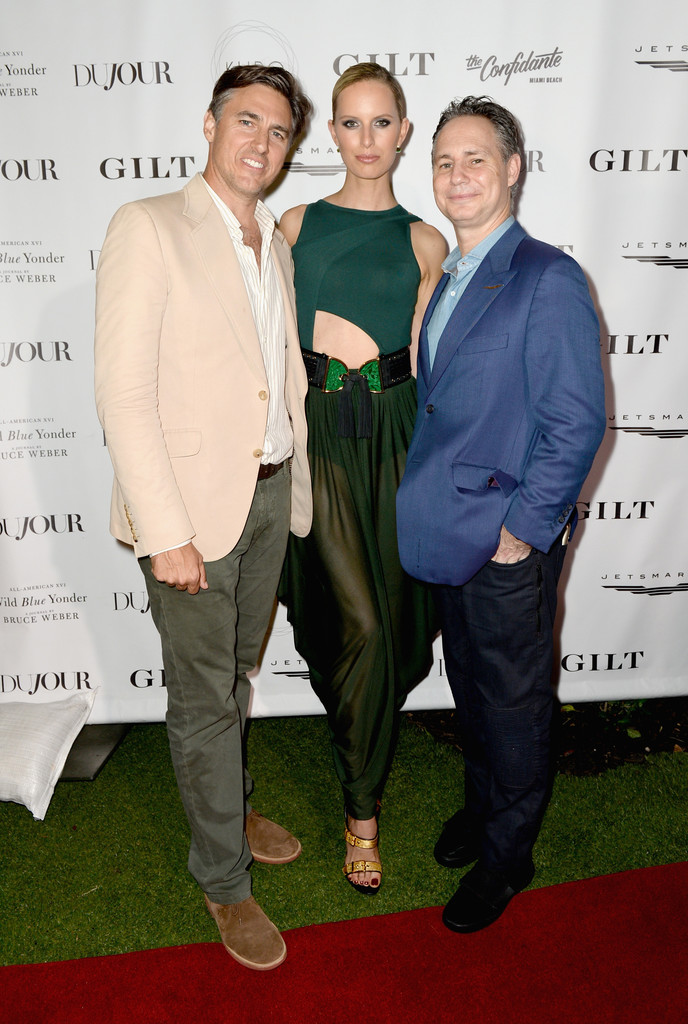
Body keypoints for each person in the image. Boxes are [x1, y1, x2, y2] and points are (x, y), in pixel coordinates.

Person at [94, 65, 313, 971]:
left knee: (234, 675)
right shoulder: (149, 225)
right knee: (201, 696)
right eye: (246, 121)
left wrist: (290, 485)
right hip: (187, 512)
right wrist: (165, 531)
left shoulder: (274, 239)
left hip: (268, 492)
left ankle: (232, 802)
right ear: (210, 124)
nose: (261, 142)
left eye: (278, 131)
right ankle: (224, 879)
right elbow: (123, 393)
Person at [396, 96, 606, 932]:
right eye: (444, 162)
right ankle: (484, 809)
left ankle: (509, 855)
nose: (457, 176)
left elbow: (575, 421)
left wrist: (521, 532)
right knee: (475, 692)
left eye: (475, 159)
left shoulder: (547, 277)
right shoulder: (451, 272)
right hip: (451, 532)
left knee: (514, 707)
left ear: (513, 169)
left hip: (504, 541)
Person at [278, 63, 446, 894]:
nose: (367, 139)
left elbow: (431, 362)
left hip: (398, 438)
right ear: (332, 132)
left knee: (398, 625)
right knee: (363, 626)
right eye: (351, 123)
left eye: (383, 123)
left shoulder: (426, 241)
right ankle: (361, 813)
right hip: (320, 441)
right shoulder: (295, 225)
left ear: (404, 131)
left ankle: (362, 748)